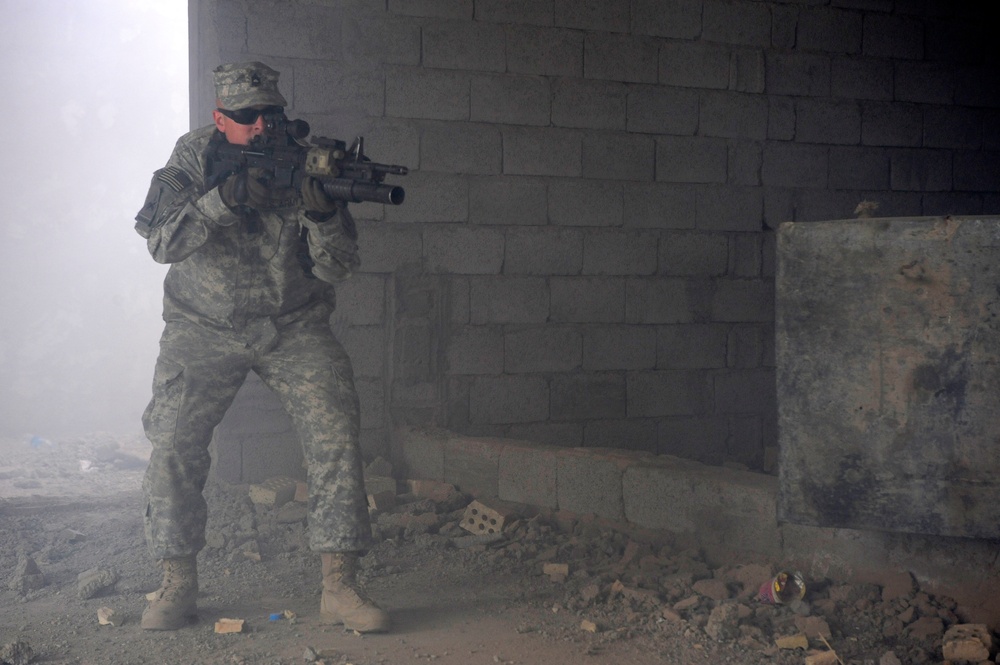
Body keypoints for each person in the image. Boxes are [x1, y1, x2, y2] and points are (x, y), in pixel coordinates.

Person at [133, 61, 388, 633]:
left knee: (336, 433)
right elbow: (158, 241)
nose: (261, 127)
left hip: (292, 323)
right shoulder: (194, 157)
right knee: (174, 443)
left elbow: (339, 267)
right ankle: (176, 583)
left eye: (270, 114)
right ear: (221, 118)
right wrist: (223, 199)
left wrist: (323, 214)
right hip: (202, 325)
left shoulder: (306, 159)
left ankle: (339, 586)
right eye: (246, 118)